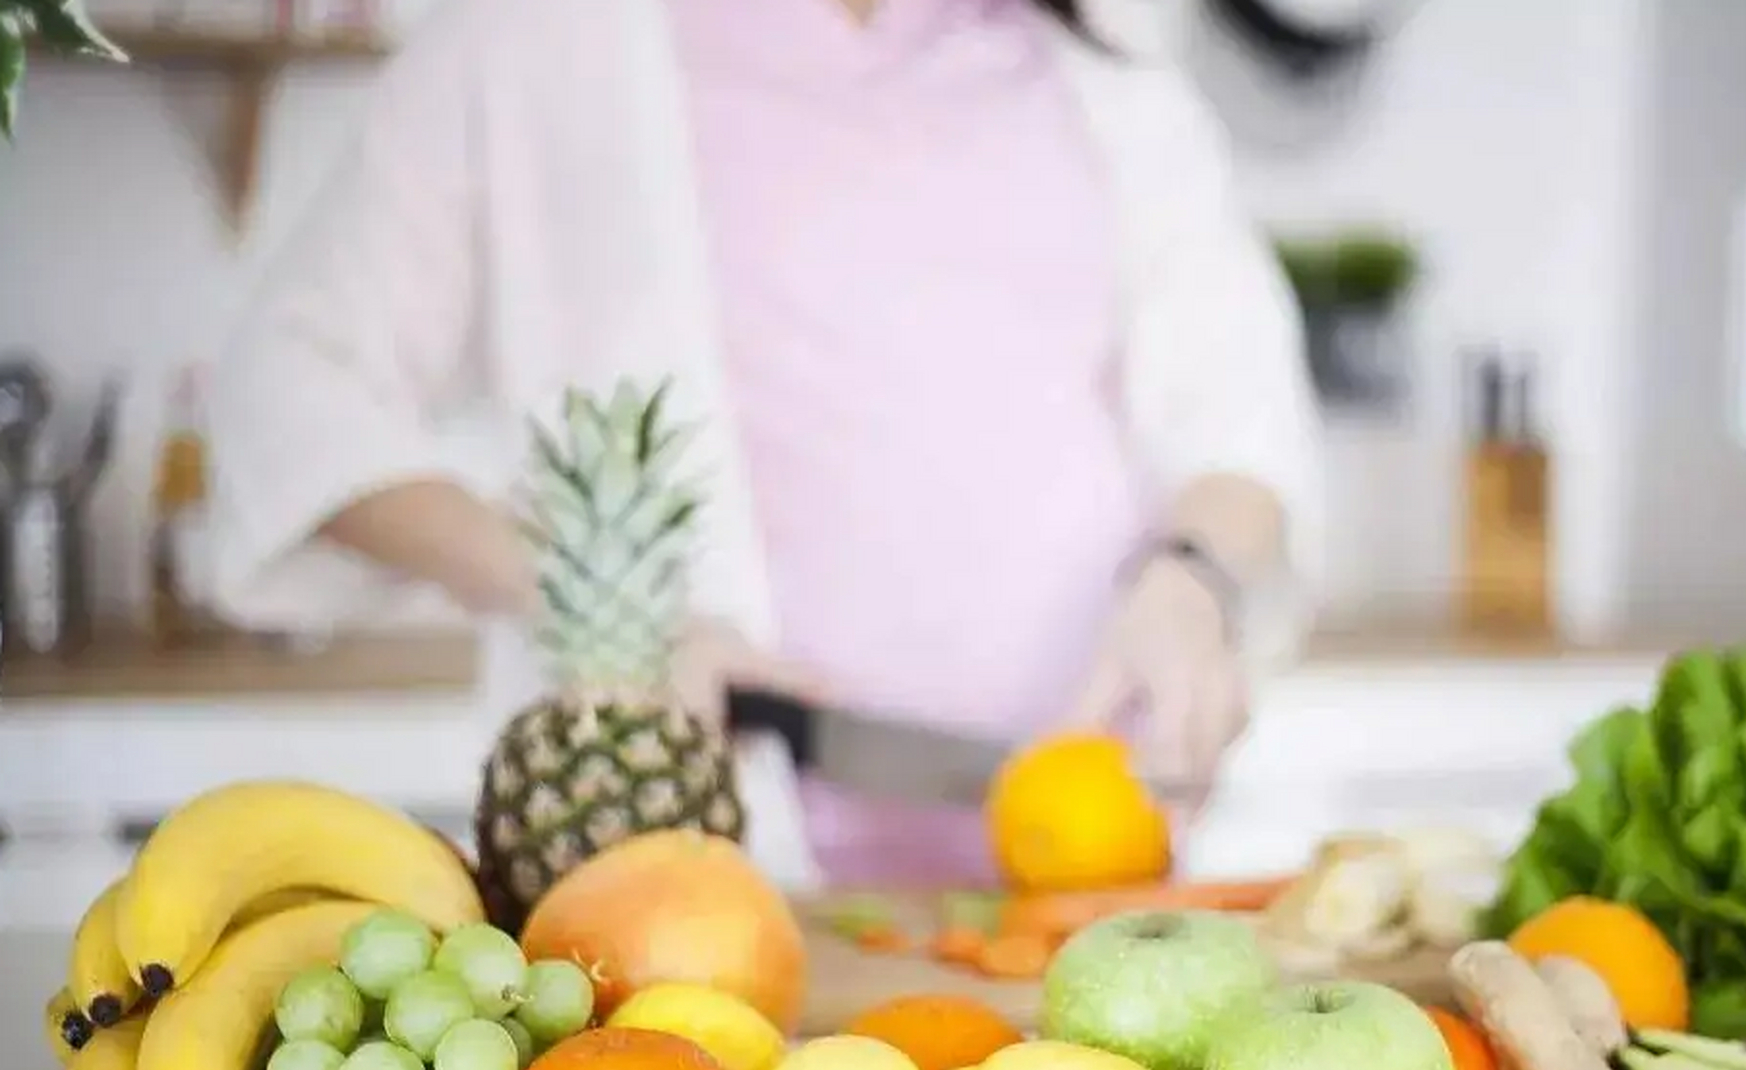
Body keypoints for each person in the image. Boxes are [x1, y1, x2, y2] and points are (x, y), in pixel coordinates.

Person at [202, 0, 1325, 891]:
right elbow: (294, 388)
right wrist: (606, 611)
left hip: (1093, 850)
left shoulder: (1107, 62)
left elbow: (1240, 406)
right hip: (701, 867)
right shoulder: (532, 39)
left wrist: (1194, 580)